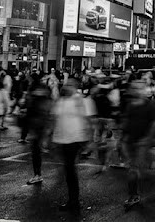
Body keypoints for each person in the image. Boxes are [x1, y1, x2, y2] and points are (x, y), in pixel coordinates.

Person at [51, 79, 94, 213]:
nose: (66, 87)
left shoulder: (80, 100)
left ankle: (74, 202)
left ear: (75, 87)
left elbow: (89, 120)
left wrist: (89, 140)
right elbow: (54, 118)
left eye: (70, 85)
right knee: (68, 169)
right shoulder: (61, 101)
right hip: (62, 139)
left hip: (75, 139)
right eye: (66, 84)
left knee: (70, 169)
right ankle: (72, 200)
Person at [123, 80, 155, 209]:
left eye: (139, 88)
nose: (136, 91)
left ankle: (133, 195)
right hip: (131, 141)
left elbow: (154, 125)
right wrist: (122, 139)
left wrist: (147, 140)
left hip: (142, 143)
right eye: (134, 88)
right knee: (134, 168)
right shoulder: (130, 105)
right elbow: (126, 122)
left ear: (144, 90)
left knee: (133, 169)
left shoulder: (152, 106)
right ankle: (137, 189)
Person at [21, 74, 52, 185]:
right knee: (36, 149)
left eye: (29, 79)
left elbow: (40, 106)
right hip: (38, 122)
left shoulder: (36, 90)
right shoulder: (41, 89)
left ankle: (37, 175)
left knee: (36, 150)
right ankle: (37, 174)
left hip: (38, 122)